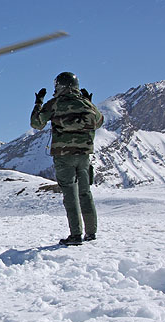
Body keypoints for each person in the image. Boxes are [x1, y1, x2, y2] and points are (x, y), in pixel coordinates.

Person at [30, 72, 104, 246]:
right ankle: (91, 233)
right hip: (84, 155)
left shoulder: (55, 103)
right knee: (85, 192)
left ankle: (76, 235)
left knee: (70, 195)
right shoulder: (86, 103)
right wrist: (89, 102)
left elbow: (36, 123)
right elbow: (99, 122)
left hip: (64, 156)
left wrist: (38, 102)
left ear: (60, 86)